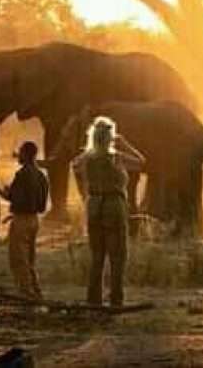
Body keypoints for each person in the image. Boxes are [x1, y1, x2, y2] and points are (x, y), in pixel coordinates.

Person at [72, 117, 145, 307]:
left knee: (97, 256)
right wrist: (124, 143)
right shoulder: (117, 157)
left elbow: (74, 165)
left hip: (94, 204)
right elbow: (140, 162)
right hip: (114, 205)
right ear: (110, 138)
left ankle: (93, 299)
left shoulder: (87, 159)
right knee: (118, 256)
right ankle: (116, 299)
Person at [0, 141, 49, 300]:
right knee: (29, 259)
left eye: (20, 152)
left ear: (26, 154)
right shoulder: (41, 175)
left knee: (18, 260)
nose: (18, 155)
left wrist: (3, 192)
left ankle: (26, 295)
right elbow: (42, 205)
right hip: (35, 220)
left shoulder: (22, 175)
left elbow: (14, 198)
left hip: (21, 220)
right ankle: (35, 291)